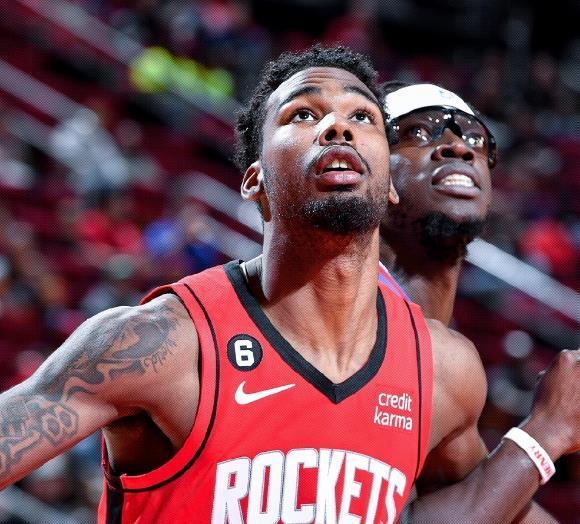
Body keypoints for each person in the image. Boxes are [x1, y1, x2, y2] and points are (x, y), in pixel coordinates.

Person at [0, 46, 578, 524]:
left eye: (363, 117)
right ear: (254, 180)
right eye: (302, 114)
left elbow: (469, 510)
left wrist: (542, 437)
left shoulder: (444, 369)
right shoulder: (161, 344)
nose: (337, 126)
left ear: (389, 184)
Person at [379, 81, 564, 522]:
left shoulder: (449, 362)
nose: (459, 147)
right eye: (418, 132)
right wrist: (547, 430)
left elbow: (490, 502)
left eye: (476, 139)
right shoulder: (343, 321)